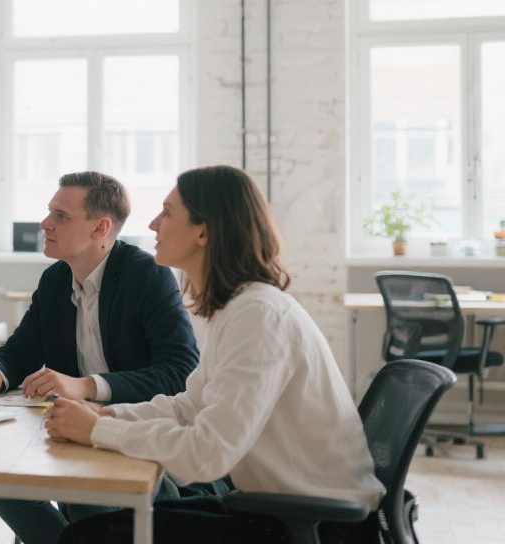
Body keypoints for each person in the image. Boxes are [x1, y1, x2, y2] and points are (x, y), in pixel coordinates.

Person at [48, 165, 385, 544]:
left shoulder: (259, 316)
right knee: (93, 528)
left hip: (317, 527)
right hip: (276, 511)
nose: (155, 224)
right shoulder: (239, 308)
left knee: (90, 537)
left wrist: (98, 430)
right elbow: (189, 407)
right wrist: (105, 413)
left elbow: (207, 455)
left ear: (204, 231)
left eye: (168, 212)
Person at [0, 171, 200, 544]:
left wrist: (86, 386)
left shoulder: (147, 276)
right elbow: (20, 351)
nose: (45, 223)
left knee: (86, 499)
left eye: (61, 216)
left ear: (100, 228)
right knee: (4, 485)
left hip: (135, 435)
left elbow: (179, 371)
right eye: (49, 212)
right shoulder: (55, 280)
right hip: (74, 435)